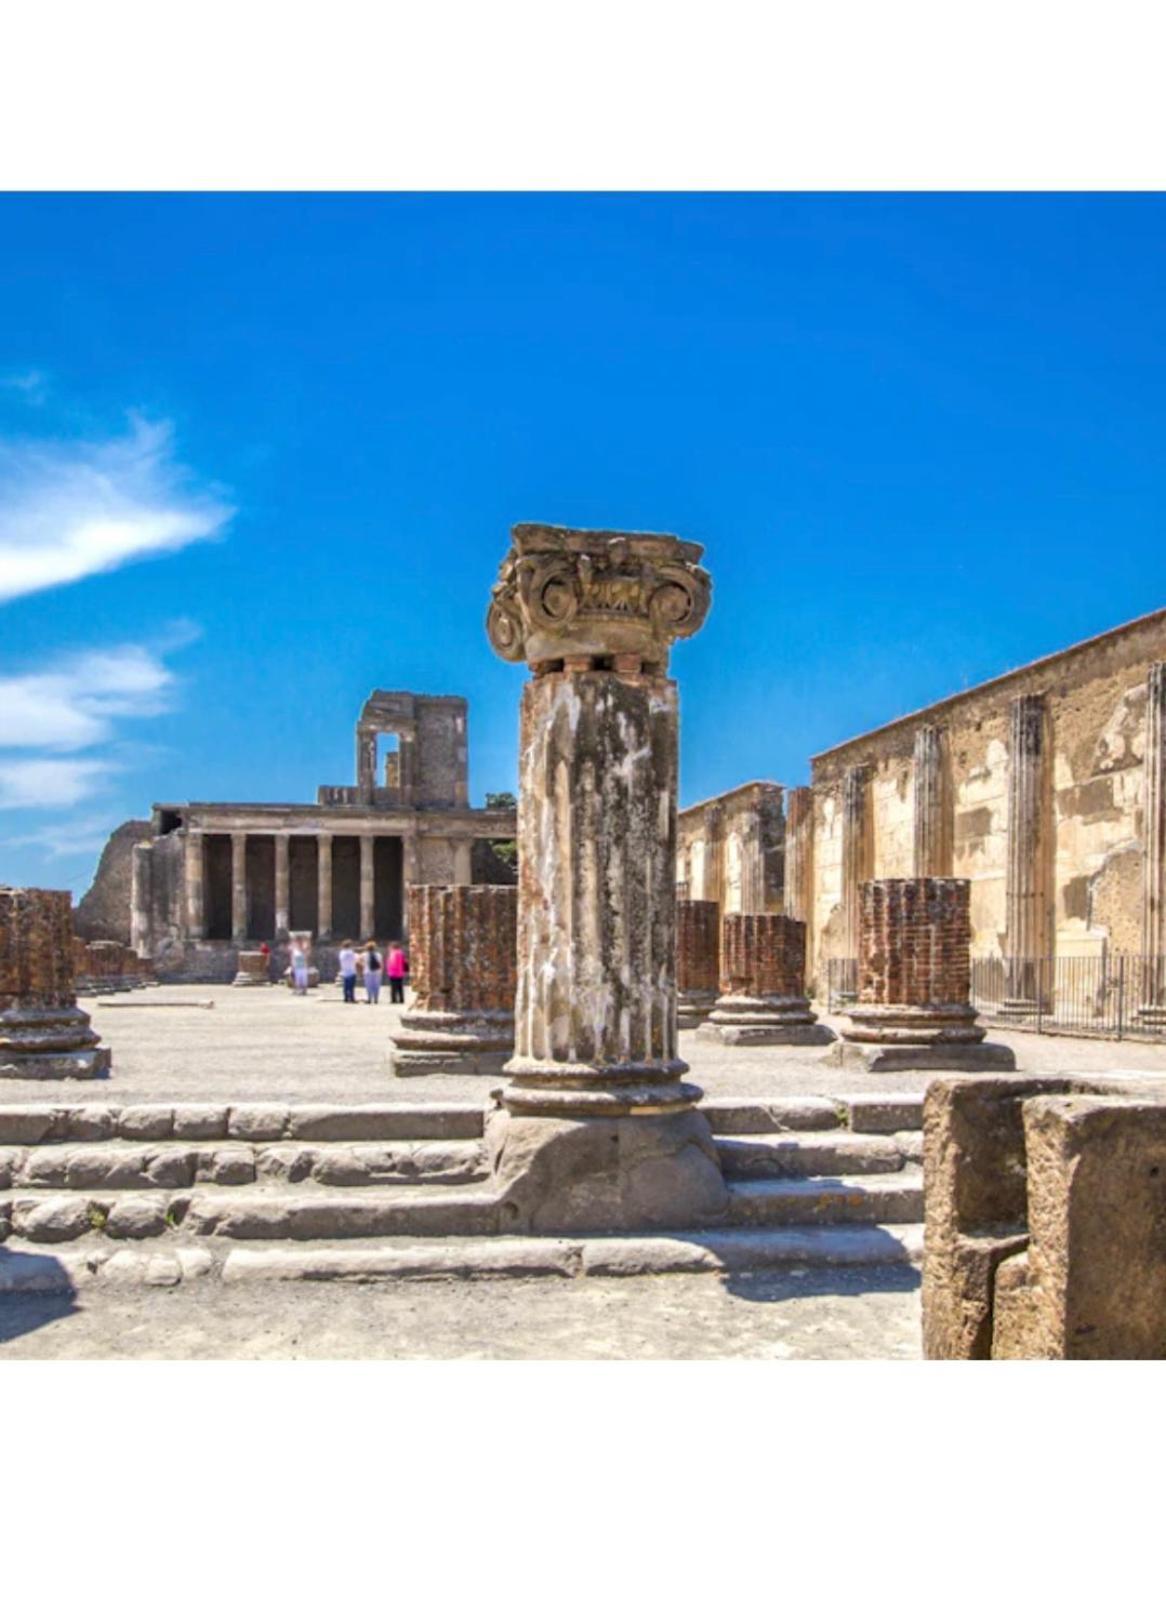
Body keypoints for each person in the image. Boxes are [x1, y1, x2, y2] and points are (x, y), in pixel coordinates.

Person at [363, 939, 383, 1004]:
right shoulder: (378, 955)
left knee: (368, 986)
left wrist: (363, 965)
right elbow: (380, 964)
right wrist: (381, 971)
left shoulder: (364, 955)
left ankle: (369, 999)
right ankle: (376, 999)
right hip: (377, 972)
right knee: (376, 986)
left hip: (367, 972)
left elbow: (358, 961)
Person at [337, 939, 357, 1004]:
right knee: (351, 987)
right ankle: (352, 998)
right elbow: (355, 959)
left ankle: (345, 998)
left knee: (345, 986)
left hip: (345, 971)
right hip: (352, 971)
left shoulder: (341, 953)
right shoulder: (351, 953)